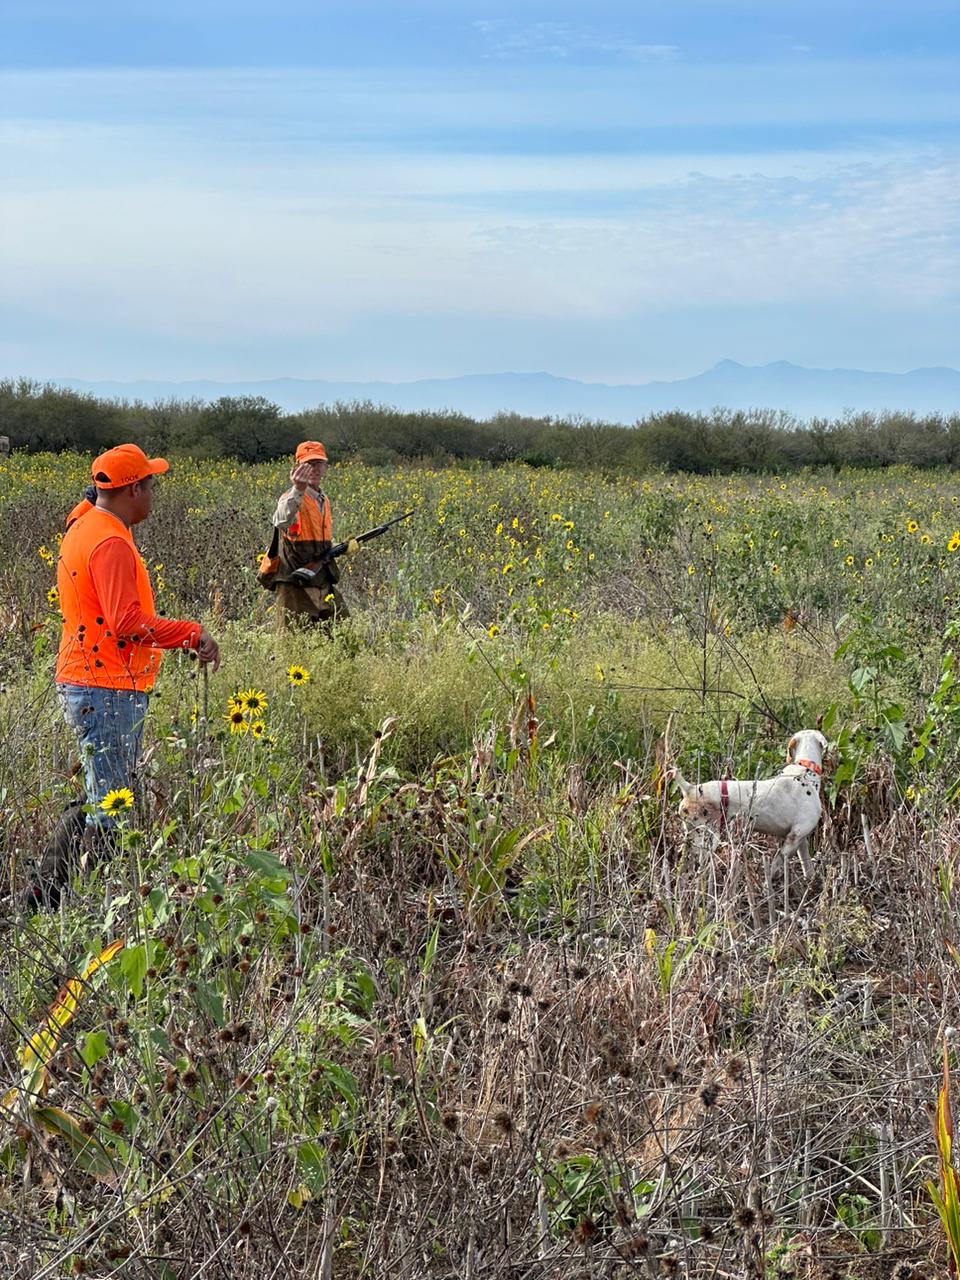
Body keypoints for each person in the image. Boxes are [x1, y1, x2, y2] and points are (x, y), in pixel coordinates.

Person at [30, 444, 220, 906]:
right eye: (150, 485)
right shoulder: (110, 540)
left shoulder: (84, 523)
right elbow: (127, 622)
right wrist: (191, 633)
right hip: (105, 684)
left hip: (89, 679)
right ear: (133, 488)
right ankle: (76, 904)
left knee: (104, 794)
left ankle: (47, 897)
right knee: (112, 810)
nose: (153, 495)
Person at [271, 440, 349, 625]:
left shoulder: (324, 500)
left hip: (321, 580)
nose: (314, 468)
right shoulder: (290, 497)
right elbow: (280, 521)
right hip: (294, 584)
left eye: (318, 463)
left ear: (325, 467)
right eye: (308, 464)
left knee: (343, 636)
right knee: (292, 646)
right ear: (297, 467)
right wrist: (297, 489)